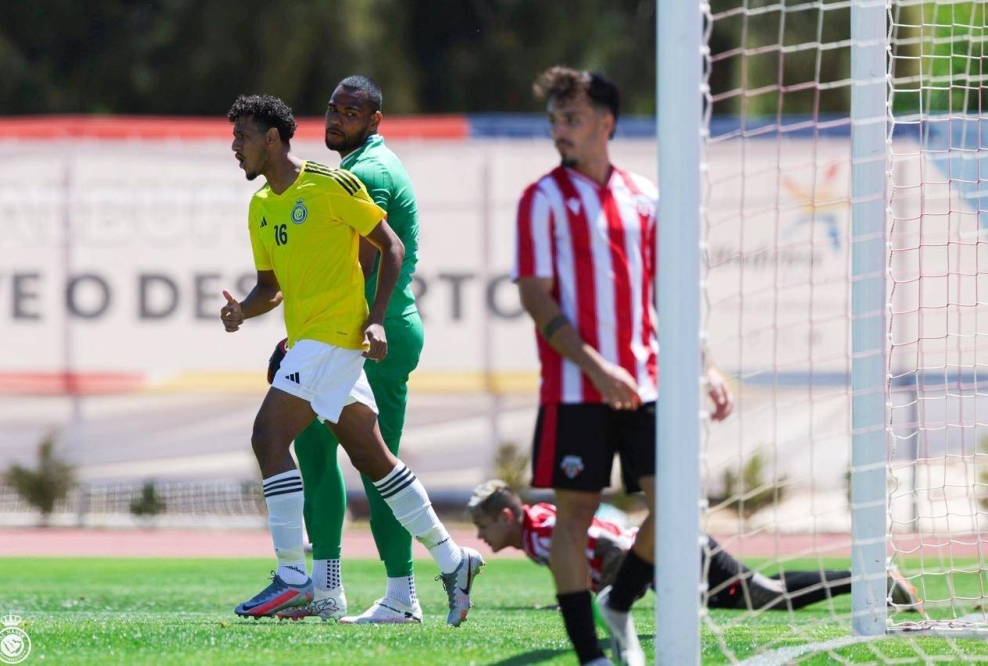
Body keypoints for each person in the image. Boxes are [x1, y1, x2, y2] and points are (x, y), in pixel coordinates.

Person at [223, 94, 483, 626]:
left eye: (243, 137)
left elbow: (391, 247)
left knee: (268, 437)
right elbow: (269, 288)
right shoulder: (260, 207)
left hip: (335, 337)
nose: (235, 148)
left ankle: (295, 577)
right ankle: (455, 561)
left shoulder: (332, 184)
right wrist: (242, 313)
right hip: (313, 342)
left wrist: (377, 317)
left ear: (272, 139)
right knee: (375, 460)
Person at [512, 66, 734, 666]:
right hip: (573, 389)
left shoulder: (645, 197)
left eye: (573, 119)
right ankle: (591, 655)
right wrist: (596, 367)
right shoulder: (540, 199)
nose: (561, 130)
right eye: (555, 120)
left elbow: (672, 293)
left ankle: (621, 602)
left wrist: (706, 366)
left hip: (650, 385)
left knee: (676, 509)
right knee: (575, 515)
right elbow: (535, 296)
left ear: (605, 123)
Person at [263, 76, 428, 625]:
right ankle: (326, 587)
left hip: (366, 335)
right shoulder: (353, 166)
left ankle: (405, 591)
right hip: (344, 332)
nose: (336, 120)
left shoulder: (367, 171)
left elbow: (363, 262)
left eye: (351, 112)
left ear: (375, 119)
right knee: (313, 450)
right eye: (332, 109)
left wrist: (300, 341)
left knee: (376, 464)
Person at [467, 480, 924, 614]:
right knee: (765, 597)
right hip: (666, 560)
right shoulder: (537, 529)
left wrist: (610, 596)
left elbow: (613, 549)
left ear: (507, 516)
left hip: (670, 554)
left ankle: (873, 577)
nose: (481, 537)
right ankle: (871, 580)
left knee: (768, 597)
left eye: (484, 525)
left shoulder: (542, 533)